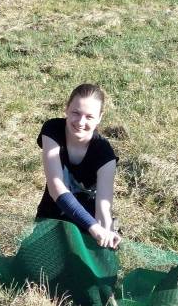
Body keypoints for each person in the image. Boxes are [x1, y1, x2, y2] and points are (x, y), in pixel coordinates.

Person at [36, 83, 121, 249]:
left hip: (87, 227)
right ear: (67, 109)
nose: (81, 122)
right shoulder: (52, 130)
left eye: (89, 117)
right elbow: (56, 188)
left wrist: (104, 230)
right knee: (32, 269)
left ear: (99, 118)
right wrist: (94, 227)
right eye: (76, 113)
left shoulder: (105, 156)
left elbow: (103, 206)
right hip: (52, 215)